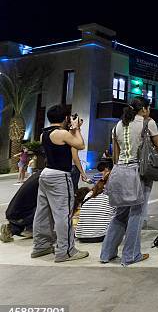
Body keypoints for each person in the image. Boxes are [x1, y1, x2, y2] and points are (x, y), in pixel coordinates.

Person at [100, 97, 158, 266]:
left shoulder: (118, 126)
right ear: (144, 109)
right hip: (138, 172)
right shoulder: (148, 123)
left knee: (120, 213)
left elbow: (116, 155)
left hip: (119, 171)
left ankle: (107, 253)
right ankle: (131, 255)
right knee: (137, 213)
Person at [31, 105, 89, 262]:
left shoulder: (44, 134)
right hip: (59, 176)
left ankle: (40, 246)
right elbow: (80, 145)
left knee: (42, 212)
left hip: (45, 174)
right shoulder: (62, 133)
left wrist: (72, 129)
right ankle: (66, 251)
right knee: (63, 213)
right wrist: (76, 129)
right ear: (65, 118)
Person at [75, 161, 116, 243]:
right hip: (100, 236)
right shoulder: (111, 197)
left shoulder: (88, 195)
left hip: (81, 236)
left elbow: (90, 181)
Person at [0, 171, 40, 242]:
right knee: (45, 206)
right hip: (19, 215)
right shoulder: (46, 177)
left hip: (13, 212)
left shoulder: (39, 175)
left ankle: (13, 228)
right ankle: (17, 229)